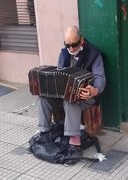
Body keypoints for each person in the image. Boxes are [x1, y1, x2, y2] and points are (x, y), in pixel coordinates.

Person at [37, 25, 106, 165]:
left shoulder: (94, 53)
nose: (71, 49)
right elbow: (57, 73)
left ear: (81, 40)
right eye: (68, 45)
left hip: (87, 97)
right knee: (43, 96)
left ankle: (75, 143)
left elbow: (100, 77)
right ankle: (44, 132)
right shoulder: (64, 53)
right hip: (63, 95)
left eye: (74, 45)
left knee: (71, 100)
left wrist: (94, 90)